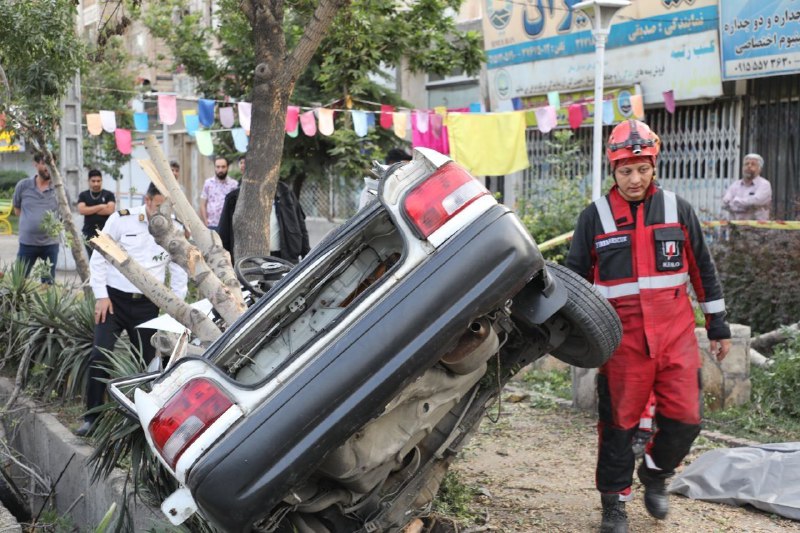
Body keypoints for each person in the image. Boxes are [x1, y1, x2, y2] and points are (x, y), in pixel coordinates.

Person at [565, 119, 732, 533]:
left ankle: (655, 473)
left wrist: (718, 325)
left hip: (676, 338)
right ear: (614, 170)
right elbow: (574, 281)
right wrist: (569, 335)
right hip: (622, 343)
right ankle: (614, 505)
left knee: (687, 420)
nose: (635, 179)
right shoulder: (595, 218)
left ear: (654, 165)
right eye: (626, 171)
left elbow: (703, 269)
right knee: (618, 426)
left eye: (642, 169)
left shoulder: (678, 209)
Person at [76, 183, 188, 437]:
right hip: (114, 301)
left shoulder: (174, 229)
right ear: (147, 201)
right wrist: (101, 296)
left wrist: (174, 308)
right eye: (158, 206)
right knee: (100, 355)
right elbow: (99, 255)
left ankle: (142, 422)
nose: (162, 213)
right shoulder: (122, 219)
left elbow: (179, 269)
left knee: (148, 363)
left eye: (167, 208)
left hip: (147, 305)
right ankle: (92, 418)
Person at [217, 156, 309, 264]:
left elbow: (300, 224)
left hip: (285, 258)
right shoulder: (234, 198)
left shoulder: (285, 193)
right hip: (252, 261)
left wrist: (306, 254)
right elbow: (224, 234)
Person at [12, 154, 60, 282]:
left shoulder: (59, 189)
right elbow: (17, 210)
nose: (48, 167)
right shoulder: (23, 186)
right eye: (44, 163)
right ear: (36, 164)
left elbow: (65, 214)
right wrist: (31, 223)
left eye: (51, 164)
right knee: (18, 281)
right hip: (27, 243)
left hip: (50, 244)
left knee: (47, 284)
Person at [721, 153, 772, 221]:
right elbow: (724, 203)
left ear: (759, 169)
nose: (749, 166)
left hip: (756, 226)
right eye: (746, 164)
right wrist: (746, 206)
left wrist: (736, 202)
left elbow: (756, 201)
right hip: (736, 226)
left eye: (753, 164)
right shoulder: (735, 185)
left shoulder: (764, 184)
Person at [77, 169, 116, 256]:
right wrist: (101, 206)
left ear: (101, 181)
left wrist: (89, 210)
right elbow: (81, 210)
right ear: (88, 181)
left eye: (98, 181)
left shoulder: (109, 195)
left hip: (105, 234)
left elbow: (110, 210)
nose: (96, 184)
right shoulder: (83, 195)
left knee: (106, 259)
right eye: (93, 181)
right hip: (89, 234)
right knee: (92, 259)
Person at [200, 156, 238, 231]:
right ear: (215, 167)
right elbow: (202, 204)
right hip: (211, 225)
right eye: (218, 167)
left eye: (223, 167)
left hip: (228, 226)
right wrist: (206, 221)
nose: (220, 170)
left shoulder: (234, 185)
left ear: (227, 167)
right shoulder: (208, 183)